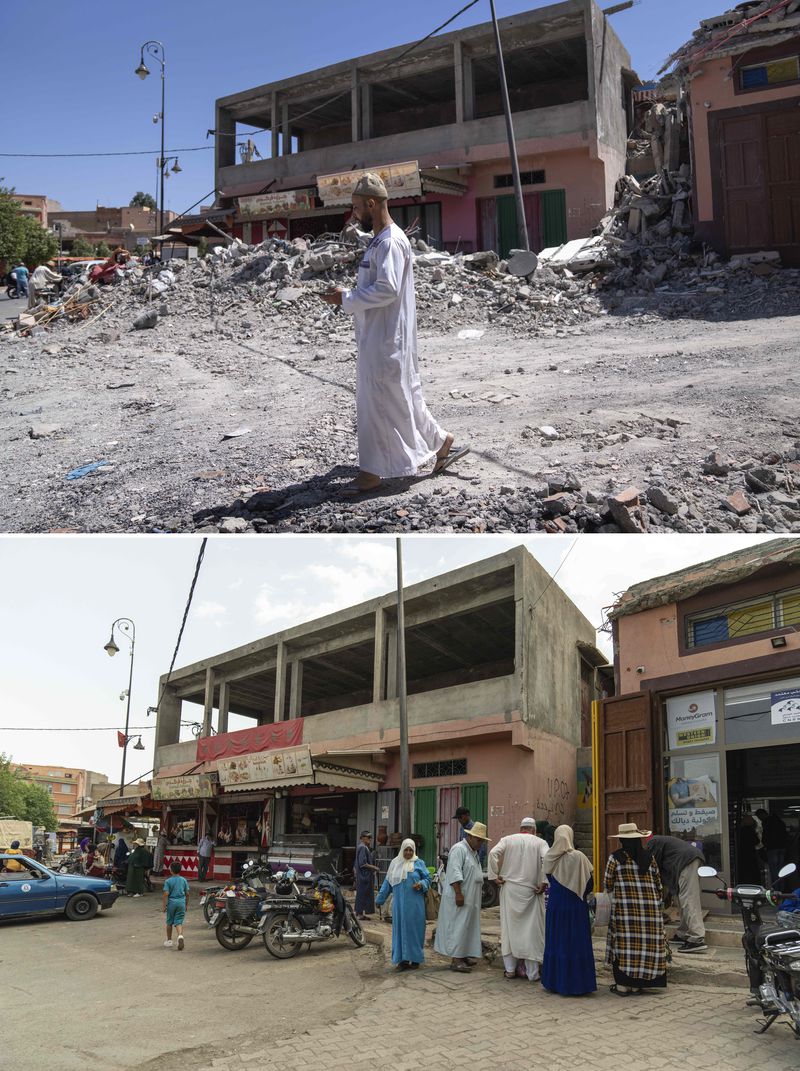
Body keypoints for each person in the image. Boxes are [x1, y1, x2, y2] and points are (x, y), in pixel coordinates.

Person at [318, 172, 469, 494]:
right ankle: (442, 443)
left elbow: (386, 289)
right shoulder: (382, 239)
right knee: (401, 397)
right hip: (382, 333)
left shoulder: (389, 241)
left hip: (386, 337)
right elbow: (377, 285)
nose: (354, 213)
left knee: (378, 403)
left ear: (372, 203)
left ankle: (372, 472)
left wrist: (345, 299)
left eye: (357, 207)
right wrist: (348, 293)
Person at [604, 822, 668, 996]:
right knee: (645, 946)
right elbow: (658, 885)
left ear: (622, 841)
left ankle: (624, 985)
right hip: (650, 912)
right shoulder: (650, 858)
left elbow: (608, 884)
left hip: (625, 912)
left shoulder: (615, 858)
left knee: (625, 946)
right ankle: (639, 984)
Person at [487, 817, 549, 982]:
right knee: (532, 932)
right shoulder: (540, 842)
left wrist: (494, 876)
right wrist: (544, 881)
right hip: (532, 891)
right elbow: (547, 860)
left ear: (521, 828)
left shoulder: (508, 839)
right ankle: (533, 973)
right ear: (534, 830)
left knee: (509, 930)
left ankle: (510, 970)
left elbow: (493, 853)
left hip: (510, 890)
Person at [541, 824, 596, 996]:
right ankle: (579, 984)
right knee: (576, 942)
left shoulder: (550, 857)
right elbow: (589, 884)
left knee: (557, 941)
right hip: (576, 906)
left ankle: (555, 982)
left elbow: (548, 878)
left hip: (556, 906)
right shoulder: (579, 857)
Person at [434, 821, 489, 972]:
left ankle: (464, 954)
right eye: (478, 840)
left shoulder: (473, 852)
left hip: (471, 898)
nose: (480, 843)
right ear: (470, 837)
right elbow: (455, 872)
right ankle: (456, 959)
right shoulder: (459, 849)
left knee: (467, 927)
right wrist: (458, 893)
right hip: (460, 896)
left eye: (482, 841)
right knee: (458, 926)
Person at [376, 837, 430, 970]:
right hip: (399, 907)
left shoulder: (419, 863)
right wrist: (379, 899)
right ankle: (402, 961)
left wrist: (422, 884)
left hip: (415, 906)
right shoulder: (395, 864)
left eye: (410, 850)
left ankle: (416, 959)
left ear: (414, 851)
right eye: (406, 850)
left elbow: (428, 878)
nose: (408, 853)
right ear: (402, 850)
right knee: (400, 932)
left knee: (415, 931)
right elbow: (387, 883)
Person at [647, 834, 706, 954]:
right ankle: (683, 933)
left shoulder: (653, 842)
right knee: (680, 899)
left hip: (687, 861)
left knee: (689, 899)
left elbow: (653, 868)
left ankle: (697, 938)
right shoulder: (661, 844)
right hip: (688, 861)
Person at [757, 808, 789, 884]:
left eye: (759, 817)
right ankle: (782, 888)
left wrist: (765, 844)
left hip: (772, 849)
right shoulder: (779, 821)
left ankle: (776, 888)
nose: (760, 819)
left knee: (774, 870)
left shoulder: (766, 822)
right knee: (781, 870)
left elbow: (766, 836)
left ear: (762, 815)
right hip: (782, 848)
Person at [163, 860, 190, 950]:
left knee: (169, 922)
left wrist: (164, 905)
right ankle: (180, 936)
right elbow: (187, 893)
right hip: (181, 902)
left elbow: (166, 894)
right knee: (178, 922)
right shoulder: (184, 880)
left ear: (171, 870)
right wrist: (186, 904)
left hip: (171, 903)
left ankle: (169, 941)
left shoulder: (168, 881)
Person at [354, 830, 378, 919]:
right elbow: (362, 863)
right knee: (363, 894)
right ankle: (359, 914)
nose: (370, 839)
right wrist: (374, 867)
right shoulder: (363, 847)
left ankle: (359, 913)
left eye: (370, 838)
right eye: (368, 837)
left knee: (362, 894)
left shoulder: (362, 847)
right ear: (363, 838)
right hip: (364, 876)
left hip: (363, 875)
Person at [736, 814, 762, 884]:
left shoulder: (740, 831)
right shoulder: (750, 830)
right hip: (751, 853)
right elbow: (756, 841)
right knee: (752, 870)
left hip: (742, 853)